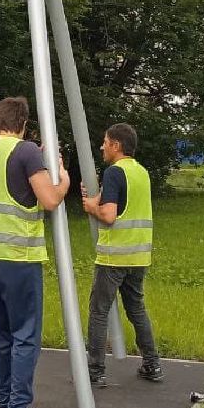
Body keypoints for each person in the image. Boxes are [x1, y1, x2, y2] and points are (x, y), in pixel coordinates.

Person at [0, 96, 70, 408]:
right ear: (23, 123)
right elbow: (50, 199)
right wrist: (64, 179)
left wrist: (37, 158)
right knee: (25, 334)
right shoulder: (27, 152)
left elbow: (9, 182)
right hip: (18, 255)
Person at [81, 122, 163, 386]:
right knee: (137, 309)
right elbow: (117, 202)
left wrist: (92, 208)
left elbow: (109, 214)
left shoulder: (114, 172)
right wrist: (94, 201)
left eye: (105, 141)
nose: (102, 146)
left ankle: (94, 371)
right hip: (139, 255)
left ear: (116, 145)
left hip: (114, 256)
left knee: (99, 311)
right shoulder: (141, 172)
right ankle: (152, 364)